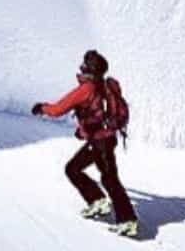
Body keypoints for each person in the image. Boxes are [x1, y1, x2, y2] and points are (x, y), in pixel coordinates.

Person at [31, 49, 139, 237]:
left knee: (108, 179)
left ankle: (127, 219)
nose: (82, 66)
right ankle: (97, 200)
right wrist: (84, 130)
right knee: (74, 168)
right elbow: (99, 112)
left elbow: (58, 109)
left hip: (100, 142)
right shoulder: (106, 85)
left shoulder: (86, 89)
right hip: (106, 138)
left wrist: (41, 108)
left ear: (89, 68)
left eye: (85, 63)